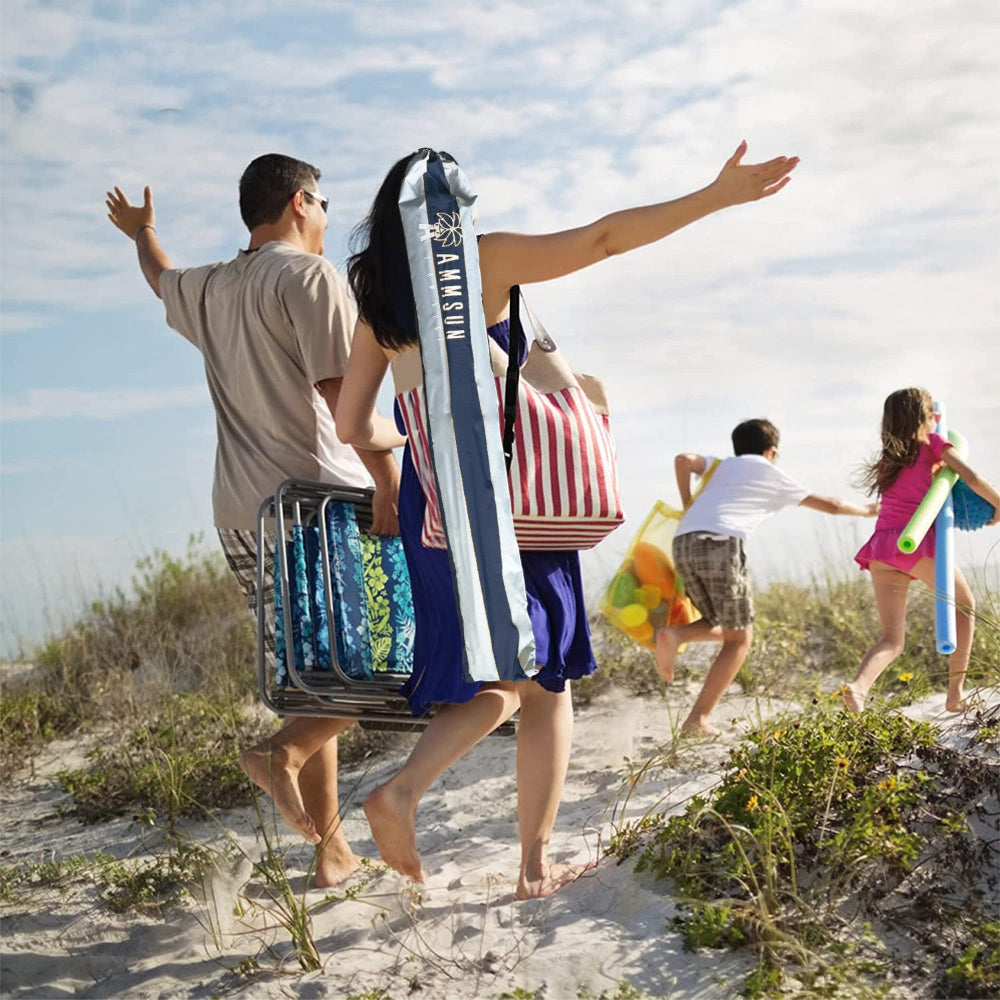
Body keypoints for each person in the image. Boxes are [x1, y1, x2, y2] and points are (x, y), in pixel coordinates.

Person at [336, 142, 800, 898]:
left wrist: (419, 431)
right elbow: (603, 238)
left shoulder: (381, 302)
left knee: (499, 681)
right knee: (545, 684)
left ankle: (406, 792)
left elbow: (355, 423)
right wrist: (713, 197)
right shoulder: (481, 262)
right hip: (512, 503)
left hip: (436, 510)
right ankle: (528, 865)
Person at [105, 154, 404, 887]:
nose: (330, 218)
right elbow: (348, 404)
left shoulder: (208, 285)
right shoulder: (307, 278)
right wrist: (392, 486)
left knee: (316, 678)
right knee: (391, 660)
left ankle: (330, 850)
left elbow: (158, 277)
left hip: (243, 513)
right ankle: (283, 754)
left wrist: (143, 233)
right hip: (319, 503)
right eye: (325, 203)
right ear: (301, 202)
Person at [655, 418, 878, 736]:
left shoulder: (722, 466)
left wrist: (688, 502)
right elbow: (832, 505)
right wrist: (868, 511)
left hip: (683, 542)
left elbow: (683, 460)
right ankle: (696, 719)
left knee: (720, 622)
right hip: (722, 542)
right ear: (772, 452)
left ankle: (677, 636)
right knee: (740, 640)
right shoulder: (768, 471)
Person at [844, 387, 999, 713]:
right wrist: (998, 506)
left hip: (882, 549)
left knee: (891, 640)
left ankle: (858, 688)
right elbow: (970, 476)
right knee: (966, 606)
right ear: (924, 418)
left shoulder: (890, 458)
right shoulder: (933, 445)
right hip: (913, 544)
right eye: (932, 415)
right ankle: (955, 694)